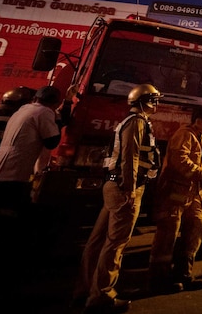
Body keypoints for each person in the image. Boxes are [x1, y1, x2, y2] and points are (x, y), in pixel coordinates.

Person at [73, 84, 162, 314]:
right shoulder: (137, 122)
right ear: (144, 101)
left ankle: (84, 290)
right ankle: (101, 295)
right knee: (115, 243)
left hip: (113, 187)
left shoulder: (130, 121)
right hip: (123, 189)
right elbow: (129, 158)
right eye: (153, 100)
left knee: (98, 240)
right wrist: (130, 190)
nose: (156, 104)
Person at [147, 105, 202, 294]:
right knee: (167, 235)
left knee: (197, 226)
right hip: (174, 194)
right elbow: (180, 160)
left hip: (193, 195)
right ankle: (159, 279)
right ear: (198, 121)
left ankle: (183, 275)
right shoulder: (184, 135)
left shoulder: (200, 140)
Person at [0, 85, 63, 185]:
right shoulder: (44, 111)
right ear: (56, 104)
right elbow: (52, 142)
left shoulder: (23, 109)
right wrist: (58, 119)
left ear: (35, 98)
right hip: (12, 174)